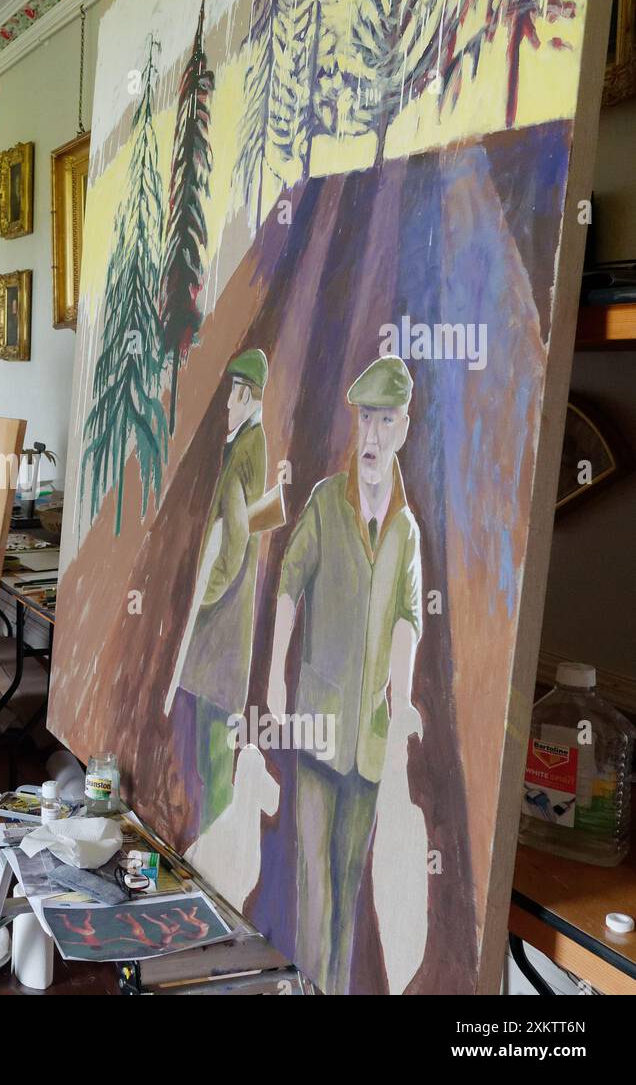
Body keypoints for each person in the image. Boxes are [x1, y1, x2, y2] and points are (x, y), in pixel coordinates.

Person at [266, 354, 423, 994]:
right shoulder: (327, 502)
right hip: (318, 727)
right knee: (316, 889)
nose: (374, 435)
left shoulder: (406, 531)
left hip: (371, 738)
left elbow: (408, 617)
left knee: (348, 886)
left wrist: (405, 696)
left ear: (403, 428)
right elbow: (287, 584)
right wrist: (276, 679)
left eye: (386, 421)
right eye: (366, 420)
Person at [163, 349, 273, 833]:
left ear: (246, 396)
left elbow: (236, 538)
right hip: (223, 633)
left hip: (222, 631)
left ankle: (214, 843)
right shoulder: (246, 443)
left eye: (233, 392)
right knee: (210, 743)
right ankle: (209, 839)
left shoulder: (248, 446)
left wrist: (203, 598)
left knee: (214, 746)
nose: (227, 401)